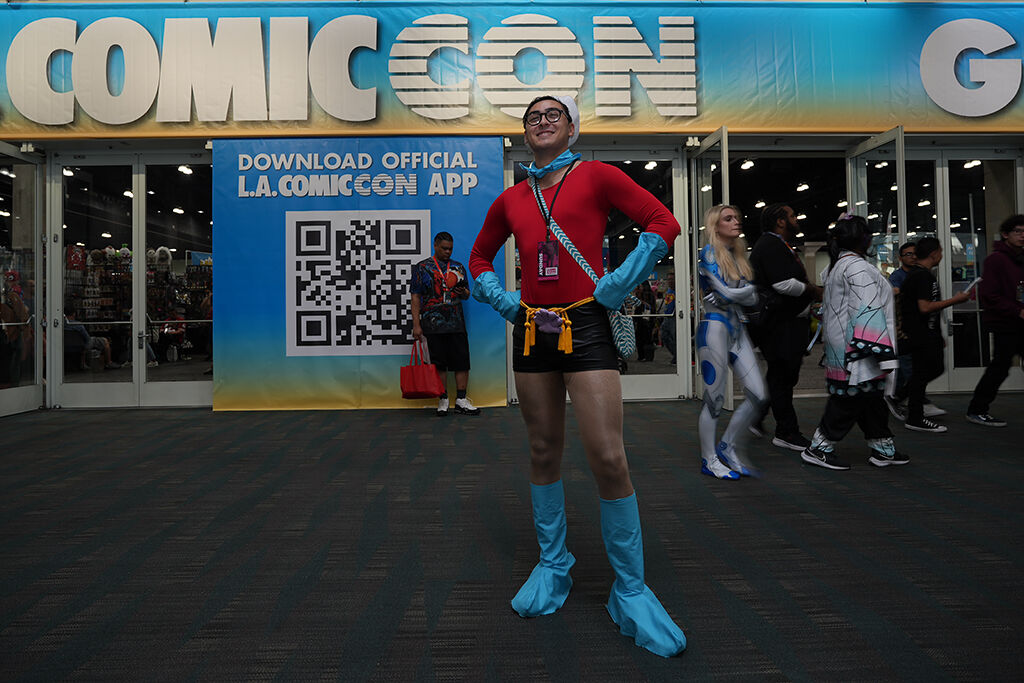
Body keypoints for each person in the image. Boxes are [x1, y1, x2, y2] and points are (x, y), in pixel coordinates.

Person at [469, 95, 685, 657]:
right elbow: (477, 260)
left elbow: (665, 223)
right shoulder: (511, 199)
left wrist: (617, 286)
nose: (542, 122)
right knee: (543, 450)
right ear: (524, 133)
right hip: (533, 332)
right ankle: (553, 563)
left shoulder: (596, 176)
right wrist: (508, 304)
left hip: (587, 327)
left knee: (608, 456)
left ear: (571, 128)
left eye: (553, 115)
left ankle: (631, 588)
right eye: (532, 117)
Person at [801, 215, 909, 470]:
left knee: (868, 399)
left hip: (844, 344)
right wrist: (879, 352)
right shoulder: (857, 268)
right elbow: (867, 309)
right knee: (849, 401)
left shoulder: (840, 265)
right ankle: (818, 447)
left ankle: (883, 448)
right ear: (865, 239)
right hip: (858, 348)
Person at [695, 205, 768, 479]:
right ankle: (709, 458)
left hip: (738, 330)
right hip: (714, 330)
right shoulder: (709, 253)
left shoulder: (739, 257)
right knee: (713, 400)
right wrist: (741, 292)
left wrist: (735, 294)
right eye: (729, 218)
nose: (736, 222)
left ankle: (728, 447)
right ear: (716, 226)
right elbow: (732, 292)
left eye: (737, 217)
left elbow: (749, 297)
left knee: (758, 394)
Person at [749, 203, 823, 451]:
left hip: (786, 324)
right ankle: (786, 432)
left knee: (780, 377)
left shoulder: (777, 244)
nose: (796, 218)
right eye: (792, 215)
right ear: (780, 221)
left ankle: (757, 416)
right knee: (782, 378)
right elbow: (782, 284)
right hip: (780, 326)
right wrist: (811, 289)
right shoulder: (770, 245)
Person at [899, 236, 970, 433]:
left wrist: (938, 335)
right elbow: (925, 307)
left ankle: (901, 399)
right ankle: (914, 416)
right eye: (940, 251)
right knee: (923, 373)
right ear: (933, 254)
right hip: (920, 335)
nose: (941, 254)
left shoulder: (919, 275)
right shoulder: (922, 276)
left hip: (924, 334)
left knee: (931, 369)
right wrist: (955, 300)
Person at [411, 231, 480, 416]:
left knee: (461, 361)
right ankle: (442, 399)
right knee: (439, 363)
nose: (448, 252)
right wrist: (416, 324)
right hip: (432, 323)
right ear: (435, 245)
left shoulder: (458, 267)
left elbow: (466, 294)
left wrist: (462, 292)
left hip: (456, 322)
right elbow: (415, 297)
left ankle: (461, 400)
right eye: (444, 248)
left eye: (450, 249)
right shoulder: (421, 267)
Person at [966, 215, 1024, 427]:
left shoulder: (1020, 258)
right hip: (1005, 322)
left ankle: (978, 408)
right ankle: (977, 409)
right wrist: (1017, 311)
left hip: (1018, 321)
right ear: (1006, 234)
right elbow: (989, 295)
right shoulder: (996, 260)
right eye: (1018, 231)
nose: (1022, 235)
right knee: (1000, 366)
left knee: (1000, 366)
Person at [660, 274, 677, 364]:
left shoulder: (679, 290)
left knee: (675, 338)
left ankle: (677, 356)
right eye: (668, 279)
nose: (669, 281)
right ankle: (675, 354)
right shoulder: (668, 291)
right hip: (667, 316)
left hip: (674, 317)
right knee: (664, 336)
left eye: (672, 279)